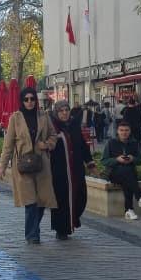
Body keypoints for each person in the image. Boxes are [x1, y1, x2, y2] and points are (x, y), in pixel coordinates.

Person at [0, 86, 57, 244]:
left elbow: (53, 135)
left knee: (42, 201)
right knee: (30, 201)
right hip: (23, 165)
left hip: (41, 163)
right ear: (22, 101)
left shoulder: (43, 116)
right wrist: (2, 166)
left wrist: (47, 144)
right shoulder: (15, 118)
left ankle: (33, 229)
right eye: (26, 99)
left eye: (32, 99)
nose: (29, 102)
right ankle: (32, 235)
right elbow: (8, 145)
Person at [47, 99, 93, 240]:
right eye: (61, 111)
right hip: (59, 171)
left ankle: (72, 220)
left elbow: (83, 145)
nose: (65, 113)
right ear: (56, 112)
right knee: (61, 201)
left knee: (80, 197)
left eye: (67, 110)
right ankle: (61, 229)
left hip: (76, 169)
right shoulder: (52, 127)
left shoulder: (74, 125)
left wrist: (90, 162)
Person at [103, 121, 141, 220]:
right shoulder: (111, 143)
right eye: (121, 130)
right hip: (113, 173)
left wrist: (132, 159)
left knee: (127, 174)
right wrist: (116, 159)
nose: (124, 133)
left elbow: (140, 160)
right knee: (127, 172)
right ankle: (139, 197)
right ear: (117, 131)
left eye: (126, 130)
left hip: (128, 173)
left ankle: (129, 211)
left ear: (130, 131)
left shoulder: (134, 143)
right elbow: (104, 161)